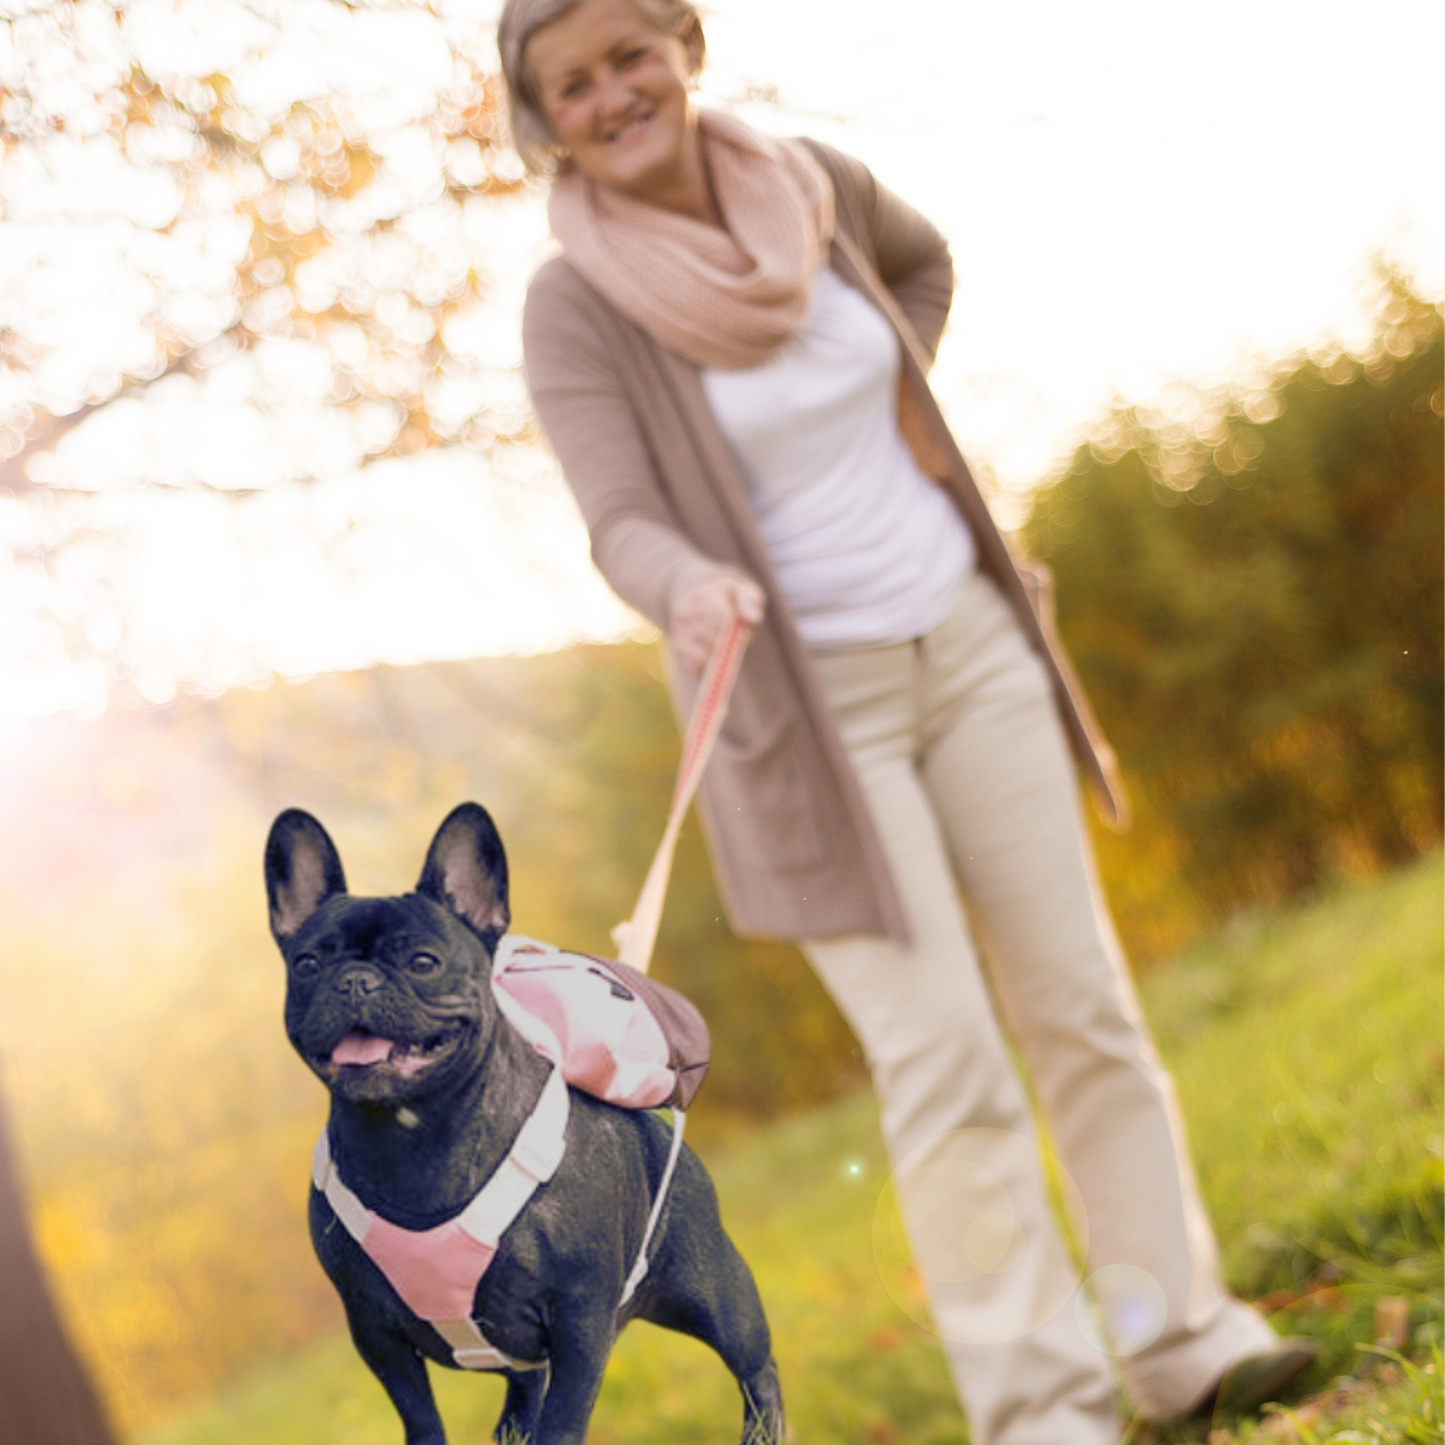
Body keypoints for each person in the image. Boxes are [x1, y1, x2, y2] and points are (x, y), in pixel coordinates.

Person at [499, 0, 1316, 1438]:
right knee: (947, 1060)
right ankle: (1044, 1406)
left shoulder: (809, 182)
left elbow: (924, 271)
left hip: (973, 639)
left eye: (631, 53)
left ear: (684, 43)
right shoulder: (578, 300)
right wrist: (686, 579)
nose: (613, 95)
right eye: (572, 84)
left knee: (1085, 1012)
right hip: (804, 724)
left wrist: (897, 419)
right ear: (543, 116)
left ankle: (1179, 1338)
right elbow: (616, 514)